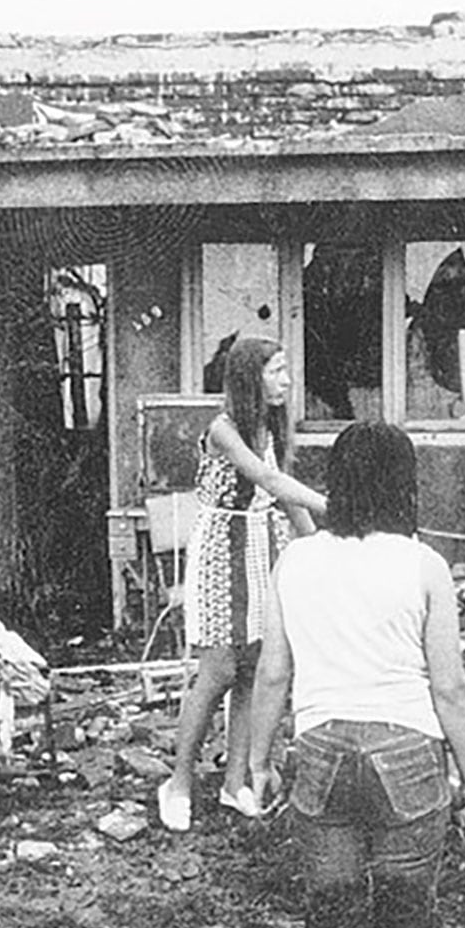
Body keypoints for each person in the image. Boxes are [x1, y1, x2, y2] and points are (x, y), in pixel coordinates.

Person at [244, 420, 465, 928]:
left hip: (319, 756)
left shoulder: (296, 562)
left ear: (337, 483)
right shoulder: (423, 565)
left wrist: (260, 762)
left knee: (331, 923)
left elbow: (271, 675)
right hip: (407, 756)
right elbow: (449, 686)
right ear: (404, 485)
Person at [158, 335, 327, 831]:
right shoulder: (224, 430)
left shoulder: (268, 428)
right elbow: (270, 483)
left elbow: (284, 493)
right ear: (250, 376)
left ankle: (236, 782)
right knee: (217, 670)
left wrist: (316, 545)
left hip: (260, 546)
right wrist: (335, 507)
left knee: (254, 666)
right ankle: (179, 781)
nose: (287, 380)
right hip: (219, 549)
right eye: (277, 370)